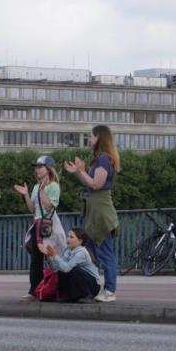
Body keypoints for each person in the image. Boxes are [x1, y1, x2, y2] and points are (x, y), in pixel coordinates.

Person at [64, 124, 120, 302]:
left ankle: (110, 291)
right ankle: (90, 288)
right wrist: (78, 173)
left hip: (101, 214)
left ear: (99, 138)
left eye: (91, 136)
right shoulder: (99, 159)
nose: (89, 139)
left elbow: (96, 184)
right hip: (95, 212)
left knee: (104, 254)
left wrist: (81, 171)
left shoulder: (104, 159)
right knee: (89, 253)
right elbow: (89, 183)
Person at [14, 155, 61, 302]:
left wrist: (42, 190)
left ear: (48, 169)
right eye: (36, 167)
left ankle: (58, 288)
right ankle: (34, 290)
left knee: (53, 258)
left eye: (40, 166)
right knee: (36, 260)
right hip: (37, 225)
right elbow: (33, 210)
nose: (37, 169)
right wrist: (26, 195)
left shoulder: (54, 186)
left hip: (49, 227)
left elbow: (49, 206)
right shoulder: (35, 187)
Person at [38, 228, 100, 303]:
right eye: (68, 236)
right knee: (61, 270)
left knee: (74, 270)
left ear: (80, 241)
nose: (68, 239)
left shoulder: (82, 252)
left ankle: (88, 296)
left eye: (71, 237)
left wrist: (55, 255)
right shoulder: (67, 250)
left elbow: (67, 268)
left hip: (92, 286)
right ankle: (69, 296)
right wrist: (50, 256)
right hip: (81, 283)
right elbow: (56, 269)